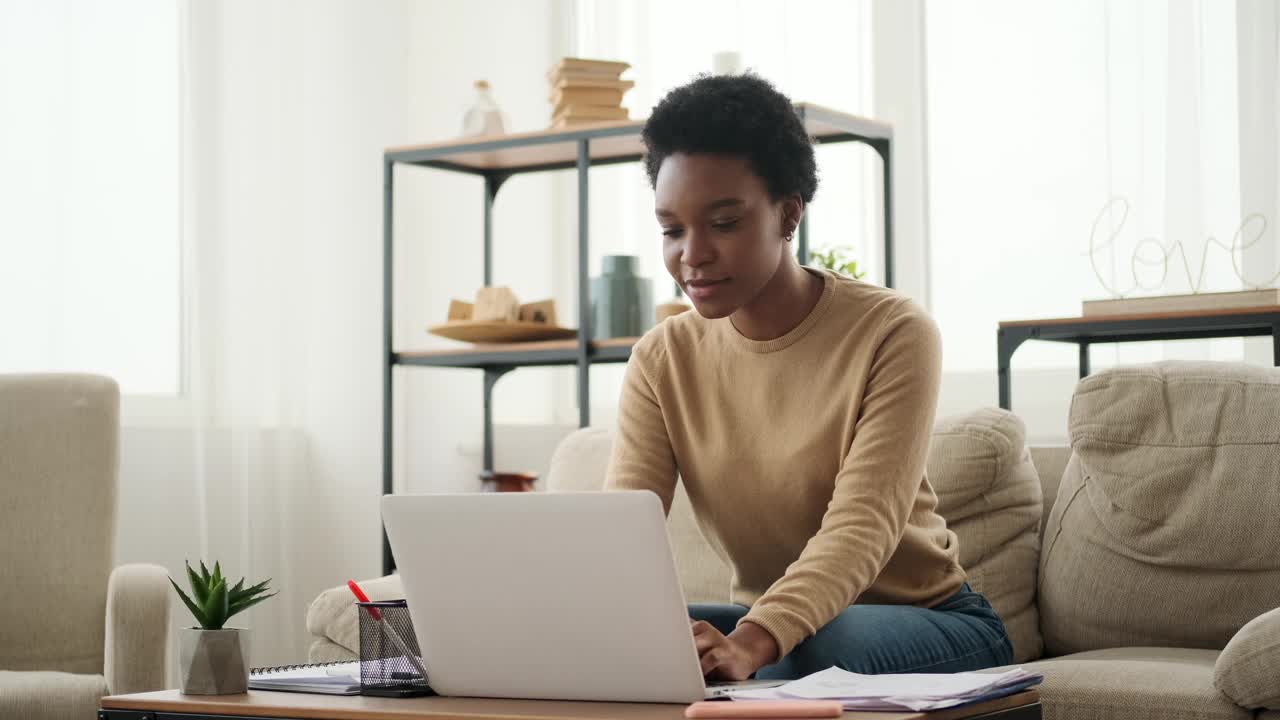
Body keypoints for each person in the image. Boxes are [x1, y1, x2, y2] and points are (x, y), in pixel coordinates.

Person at [604, 73, 1013, 682]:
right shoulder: (661, 360)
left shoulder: (892, 332)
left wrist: (753, 639)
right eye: (671, 229)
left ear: (788, 213)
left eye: (723, 223)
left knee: (814, 648)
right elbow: (621, 529)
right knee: (632, 639)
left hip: (929, 621)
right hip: (778, 625)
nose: (692, 254)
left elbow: (862, 525)